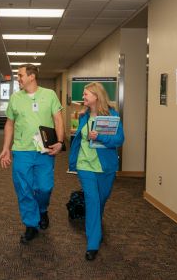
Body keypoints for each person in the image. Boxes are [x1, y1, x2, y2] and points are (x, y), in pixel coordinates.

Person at [0, 64, 65, 244]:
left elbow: (58, 119)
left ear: (32, 76)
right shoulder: (15, 98)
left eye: (20, 75)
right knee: (24, 189)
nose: (18, 78)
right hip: (21, 150)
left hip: (45, 150)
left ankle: (42, 209)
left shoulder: (49, 95)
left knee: (45, 187)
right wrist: (6, 148)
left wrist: (60, 142)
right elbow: (9, 124)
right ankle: (30, 224)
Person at [68, 82, 124, 261]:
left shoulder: (112, 115)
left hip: (105, 167)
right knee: (92, 200)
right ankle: (93, 243)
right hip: (85, 166)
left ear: (96, 96)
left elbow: (119, 139)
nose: (83, 97)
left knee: (101, 199)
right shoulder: (83, 116)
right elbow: (79, 137)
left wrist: (99, 137)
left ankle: (95, 226)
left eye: (85, 94)